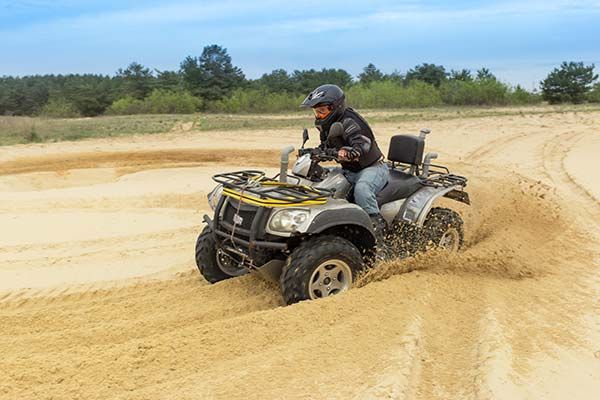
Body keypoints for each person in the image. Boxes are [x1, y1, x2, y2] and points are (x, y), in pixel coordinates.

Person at [300, 83, 389, 240]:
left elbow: (363, 145)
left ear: (335, 107)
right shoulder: (325, 125)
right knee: (322, 185)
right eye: (316, 111)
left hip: (371, 168)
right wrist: (314, 153)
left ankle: (377, 233)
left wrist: (351, 152)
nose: (319, 115)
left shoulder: (351, 122)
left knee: (362, 189)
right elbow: (325, 146)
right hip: (349, 170)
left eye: (322, 111)